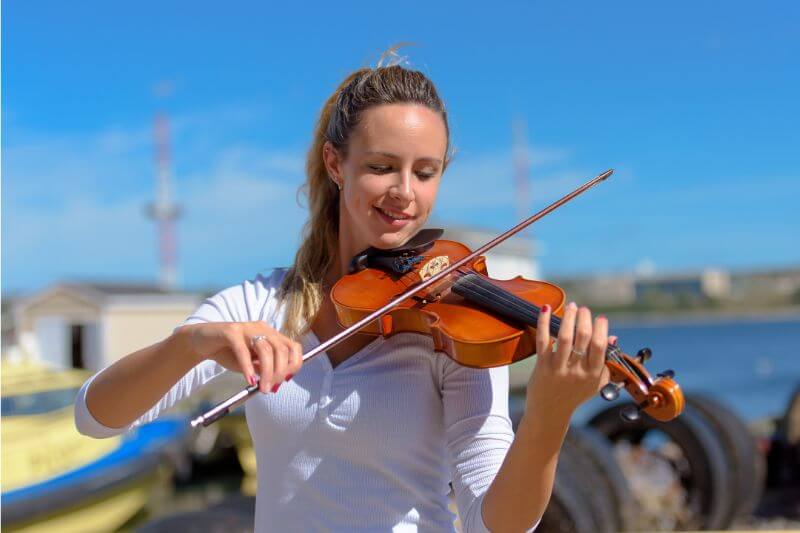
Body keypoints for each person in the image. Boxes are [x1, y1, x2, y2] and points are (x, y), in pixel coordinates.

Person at [75, 55, 612, 533]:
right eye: (382, 167)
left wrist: (547, 417)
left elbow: (496, 523)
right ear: (336, 164)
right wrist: (191, 344)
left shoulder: (455, 326)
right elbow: (96, 416)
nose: (405, 193)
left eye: (425, 173)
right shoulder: (261, 303)